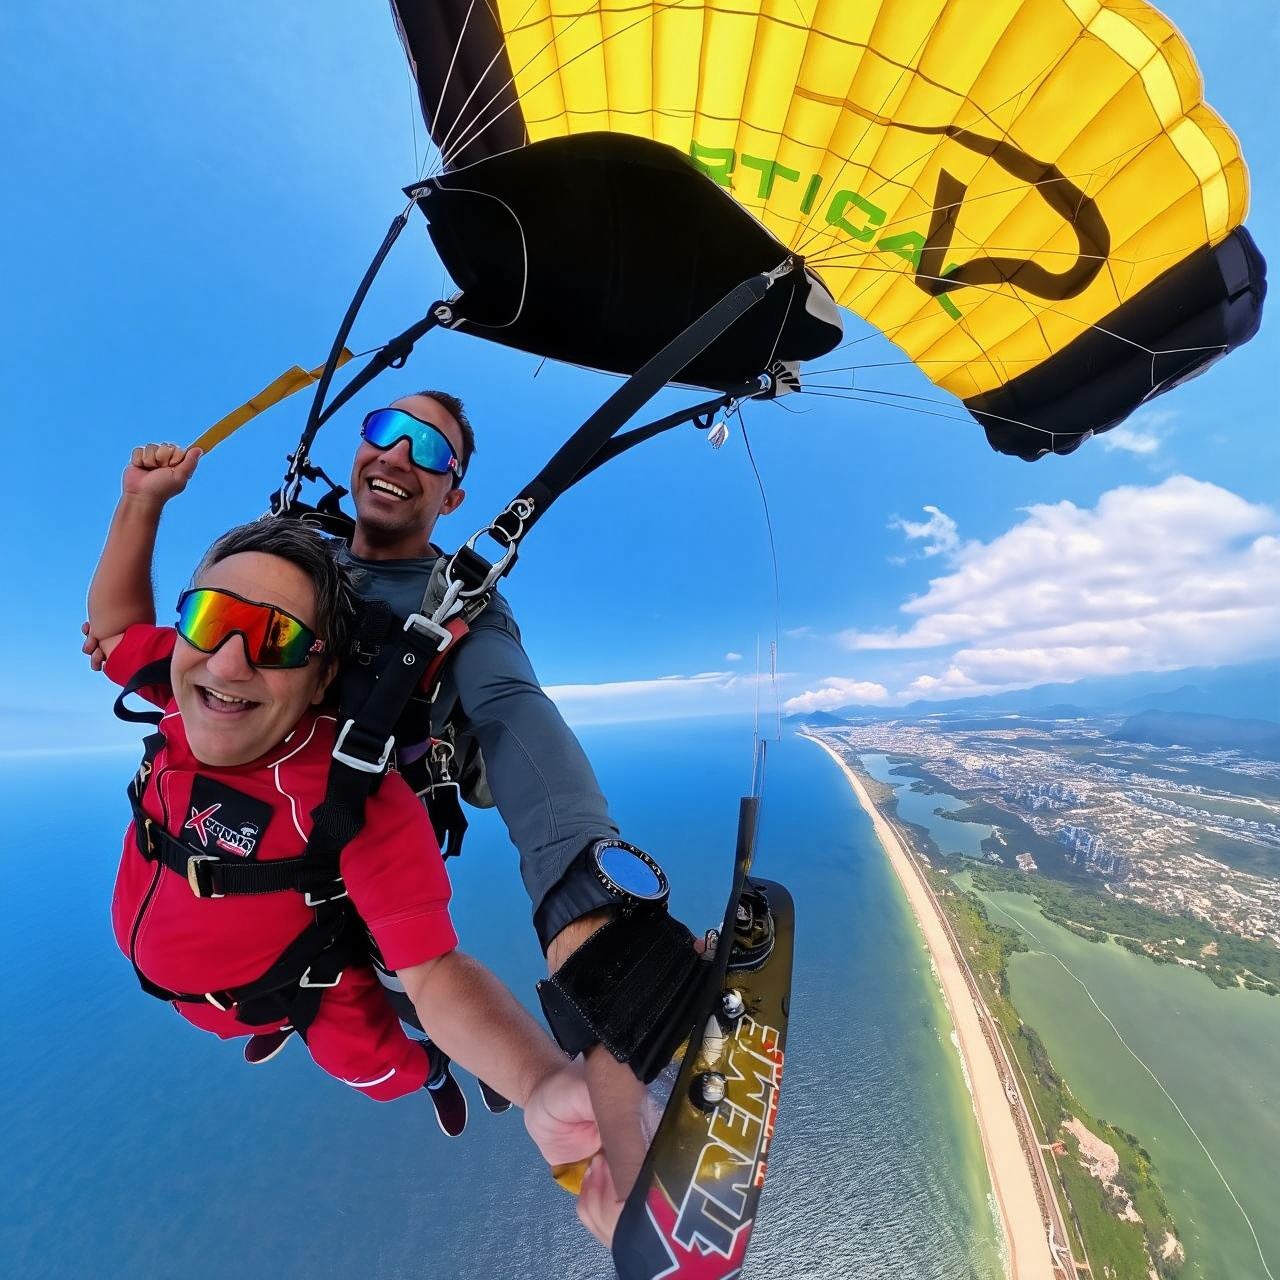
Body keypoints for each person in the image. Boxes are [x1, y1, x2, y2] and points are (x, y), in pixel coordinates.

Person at [86, 451, 600, 1180]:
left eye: (277, 640)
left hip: (307, 992)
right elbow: (113, 635)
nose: (230, 663)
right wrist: (141, 502)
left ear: (323, 674)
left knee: (376, 1069)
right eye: (210, 617)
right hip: (218, 989)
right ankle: (270, 1023)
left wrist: (540, 1082)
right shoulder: (183, 682)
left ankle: (432, 1070)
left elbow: (432, 973)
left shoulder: (349, 788)